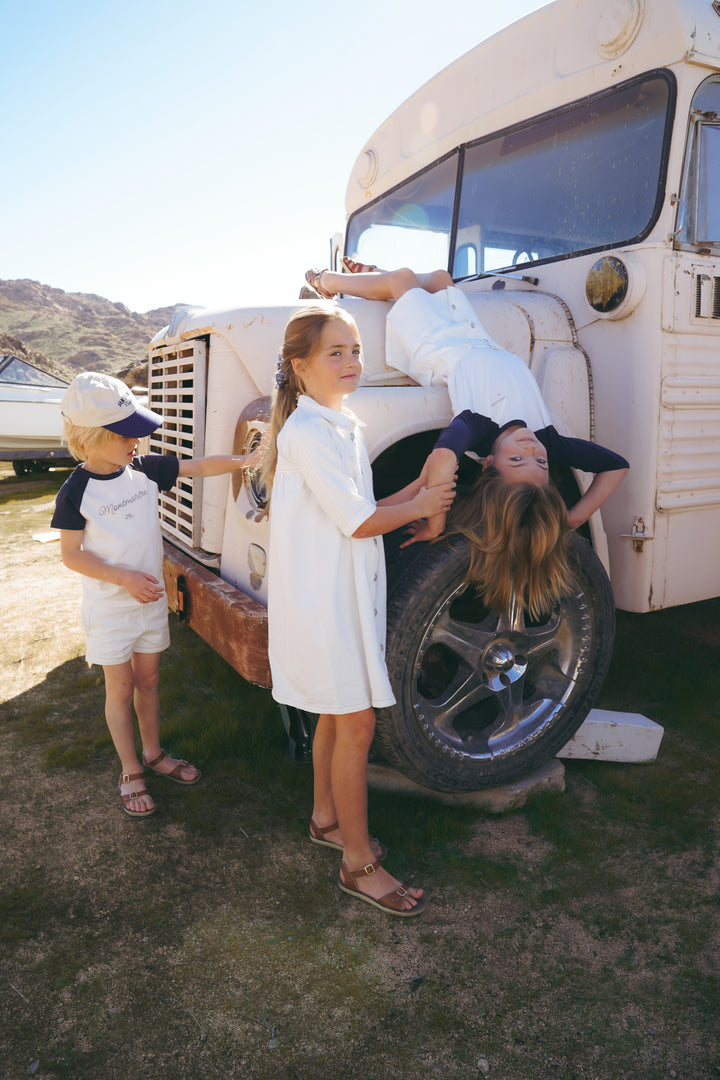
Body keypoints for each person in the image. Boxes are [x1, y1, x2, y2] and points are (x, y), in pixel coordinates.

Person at [261, 304, 455, 916]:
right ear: (300, 367)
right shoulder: (308, 432)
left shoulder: (343, 423)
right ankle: (358, 864)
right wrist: (424, 502)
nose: (351, 362)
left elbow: (366, 501)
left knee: (334, 714)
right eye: (335, 352)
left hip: (341, 595)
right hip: (324, 605)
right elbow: (362, 520)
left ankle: (325, 820)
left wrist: (419, 490)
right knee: (358, 723)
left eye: (355, 350)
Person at [305, 261, 629, 620]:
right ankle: (380, 282)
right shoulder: (548, 440)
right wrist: (570, 518)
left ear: (489, 462)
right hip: (477, 337)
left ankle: (325, 281)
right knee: (442, 279)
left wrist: (435, 521)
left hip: (438, 349)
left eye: (516, 461)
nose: (530, 450)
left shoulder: (479, 428)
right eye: (541, 463)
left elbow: (442, 461)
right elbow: (616, 465)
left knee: (402, 280)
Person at [51, 371, 260, 818]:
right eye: (126, 434)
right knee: (121, 686)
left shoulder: (143, 469)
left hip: (150, 606)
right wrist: (122, 578)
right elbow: (72, 555)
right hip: (111, 610)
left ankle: (153, 752)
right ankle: (131, 769)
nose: (137, 442)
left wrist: (247, 460)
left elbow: (199, 467)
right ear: (91, 438)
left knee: (148, 681)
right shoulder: (75, 491)